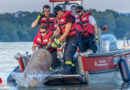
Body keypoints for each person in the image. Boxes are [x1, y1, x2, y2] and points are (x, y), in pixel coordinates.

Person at [51, 5, 78, 74]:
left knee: (68, 53)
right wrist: (53, 37)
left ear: (60, 11)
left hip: (74, 37)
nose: (56, 17)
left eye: (56, 15)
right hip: (68, 38)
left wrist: (59, 41)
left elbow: (67, 32)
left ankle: (67, 71)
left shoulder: (69, 18)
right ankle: (69, 70)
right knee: (65, 54)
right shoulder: (59, 19)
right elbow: (58, 30)